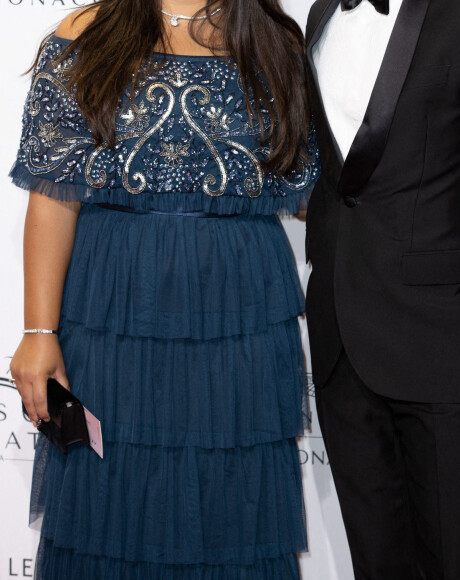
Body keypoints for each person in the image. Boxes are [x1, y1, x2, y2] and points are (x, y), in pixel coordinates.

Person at [9, 1, 318, 577]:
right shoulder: (87, 31)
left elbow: (311, 187)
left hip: (239, 317)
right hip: (113, 310)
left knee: (232, 503)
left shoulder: (276, 41)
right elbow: (52, 196)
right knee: (107, 504)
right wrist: (37, 331)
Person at [304, 0, 460, 578]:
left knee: (455, 564)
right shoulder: (322, 13)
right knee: (376, 562)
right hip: (342, 341)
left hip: (446, 345)